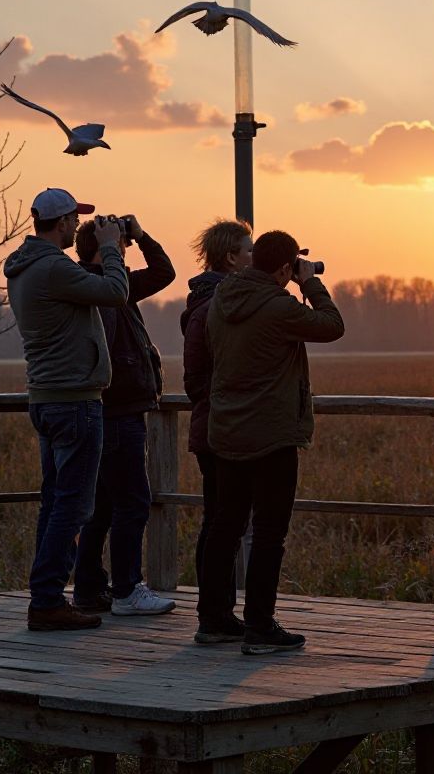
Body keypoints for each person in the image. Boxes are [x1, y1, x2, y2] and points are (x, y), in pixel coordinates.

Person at [196, 230, 344, 653]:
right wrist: (309, 281)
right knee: (268, 534)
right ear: (283, 268)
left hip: (227, 431)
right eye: (291, 267)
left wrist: (292, 276)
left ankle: (214, 620)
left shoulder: (221, 302)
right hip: (271, 434)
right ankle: (260, 626)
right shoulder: (278, 306)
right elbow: (333, 326)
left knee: (225, 527)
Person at [4, 189, 128, 631]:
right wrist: (111, 247)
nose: (79, 227)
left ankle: (46, 596)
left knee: (55, 503)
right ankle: (48, 601)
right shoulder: (54, 268)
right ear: (59, 224)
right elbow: (115, 291)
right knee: (73, 507)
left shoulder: (25, 267)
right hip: (74, 400)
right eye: (75, 220)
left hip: (47, 398)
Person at [71, 213, 177, 617]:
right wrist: (115, 245)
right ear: (104, 248)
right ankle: (127, 590)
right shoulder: (102, 291)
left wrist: (142, 234)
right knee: (133, 502)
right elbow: (108, 354)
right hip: (118, 412)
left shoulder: (111, 286)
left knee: (100, 506)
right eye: (120, 246)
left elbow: (164, 273)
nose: (126, 253)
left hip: (110, 413)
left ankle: (87, 589)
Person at [180, 218, 253, 632]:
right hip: (220, 429)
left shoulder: (211, 302)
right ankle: (215, 614)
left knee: (220, 520)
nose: (253, 257)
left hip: (216, 424)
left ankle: (217, 612)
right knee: (223, 522)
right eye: (248, 251)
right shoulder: (213, 308)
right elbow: (196, 378)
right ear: (230, 257)